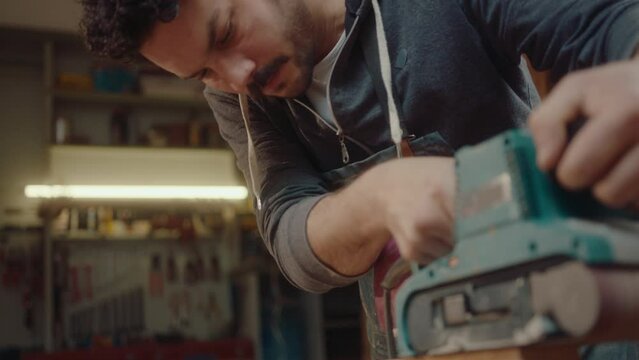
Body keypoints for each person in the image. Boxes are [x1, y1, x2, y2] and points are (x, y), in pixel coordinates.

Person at [80, 0, 639, 358]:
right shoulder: (240, 101)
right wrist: (376, 198)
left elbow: (598, 19)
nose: (238, 77)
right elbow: (291, 237)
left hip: (585, 309)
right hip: (433, 343)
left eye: (226, 32)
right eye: (203, 72)